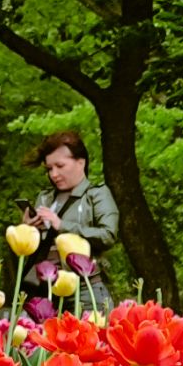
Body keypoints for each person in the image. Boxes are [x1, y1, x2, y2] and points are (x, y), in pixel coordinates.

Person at [21, 130, 120, 310]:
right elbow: (35, 251)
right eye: (49, 169)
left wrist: (61, 225)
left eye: (60, 166)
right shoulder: (45, 198)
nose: (54, 174)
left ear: (80, 163)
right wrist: (28, 232)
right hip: (45, 289)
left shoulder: (96, 194)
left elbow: (108, 235)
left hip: (85, 287)